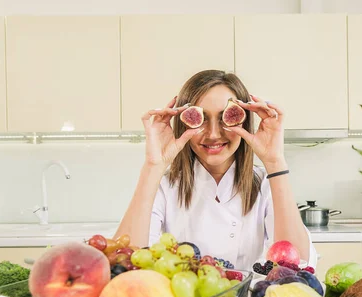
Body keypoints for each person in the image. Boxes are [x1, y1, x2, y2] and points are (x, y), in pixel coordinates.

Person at [115, 70, 318, 270]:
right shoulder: (165, 186)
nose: (213, 134)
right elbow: (124, 263)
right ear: (183, 123)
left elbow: (298, 264)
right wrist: (153, 166)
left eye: (225, 118)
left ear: (245, 123)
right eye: (200, 119)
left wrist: (275, 162)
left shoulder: (266, 183)